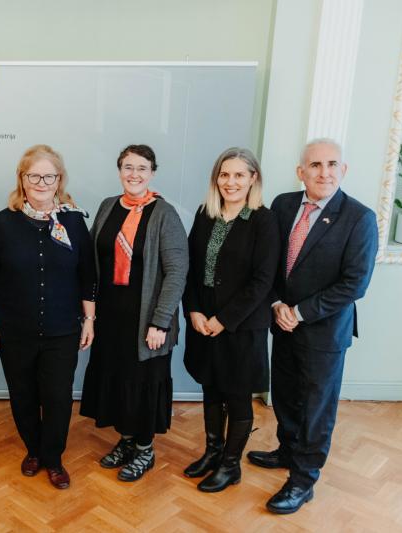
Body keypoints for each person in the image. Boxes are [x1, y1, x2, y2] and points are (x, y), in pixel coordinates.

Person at [248, 139, 378, 514]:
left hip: (323, 332)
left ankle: (303, 480)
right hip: (282, 322)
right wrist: (277, 304)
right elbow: (269, 263)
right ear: (301, 171)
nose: (324, 173)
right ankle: (288, 451)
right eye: (315, 165)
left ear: (343, 170)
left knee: (317, 408)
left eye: (332, 164)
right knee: (286, 394)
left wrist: (300, 312)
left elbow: (355, 284)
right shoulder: (283, 205)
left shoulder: (359, 217)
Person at [0, 144, 96, 489]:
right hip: (15, 330)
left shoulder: (74, 222)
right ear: (22, 179)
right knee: (23, 395)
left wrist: (89, 320)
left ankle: (53, 458)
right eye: (34, 176)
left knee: (58, 398)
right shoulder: (4, 222)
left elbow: (88, 276)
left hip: (63, 330)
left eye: (49, 176)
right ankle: (34, 450)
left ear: (59, 180)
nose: (42, 183)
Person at [80, 144, 188, 482]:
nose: (134, 174)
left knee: (143, 384)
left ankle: (145, 449)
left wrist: (161, 321)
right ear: (119, 171)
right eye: (128, 167)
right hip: (111, 317)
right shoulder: (108, 206)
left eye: (142, 168)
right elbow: (91, 256)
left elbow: (177, 272)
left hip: (146, 321)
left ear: (152, 172)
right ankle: (126, 440)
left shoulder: (164, 213)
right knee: (118, 380)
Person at [182, 148, 279, 492]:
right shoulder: (205, 213)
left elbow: (262, 281)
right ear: (216, 179)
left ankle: (230, 465)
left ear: (253, 178)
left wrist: (224, 319)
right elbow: (190, 267)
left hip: (241, 324)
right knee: (211, 388)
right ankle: (212, 452)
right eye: (225, 174)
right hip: (203, 318)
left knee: (237, 395)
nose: (231, 182)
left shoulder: (264, 221)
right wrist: (193, 309)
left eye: (239, 175)